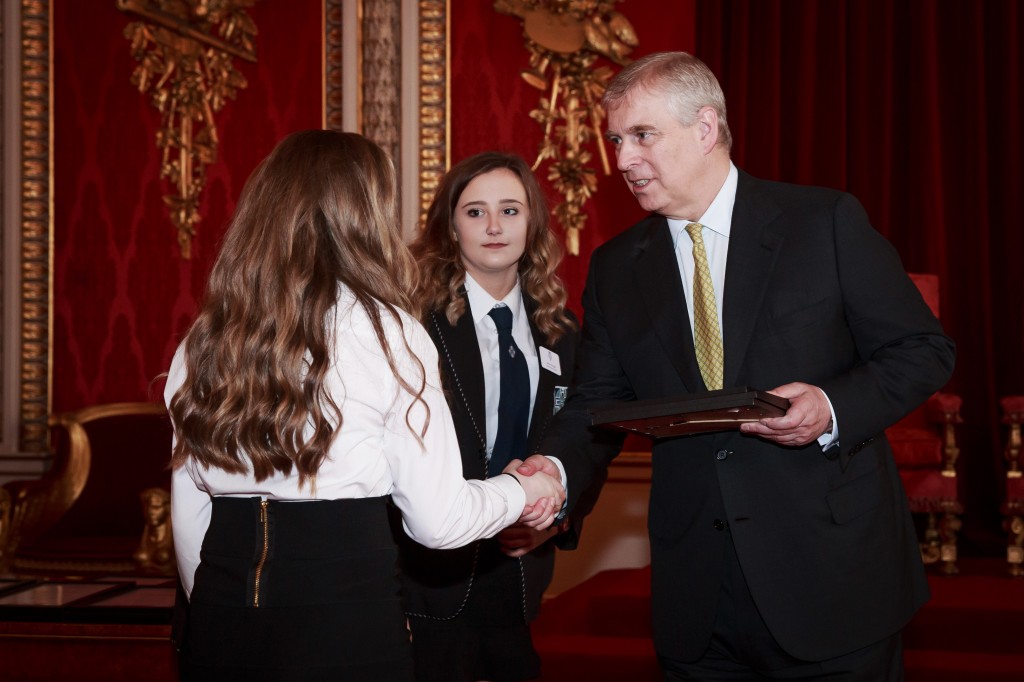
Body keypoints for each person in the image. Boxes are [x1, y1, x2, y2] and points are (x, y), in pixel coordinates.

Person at [519, 52, 956, 680]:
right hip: (696, 597)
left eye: (642, 136)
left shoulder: (823, 222)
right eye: (615, 139)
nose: (622, 160)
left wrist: (831, 408)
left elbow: (924, 350)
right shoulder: (618, 266)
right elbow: (596, 401)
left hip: (830, 577)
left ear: (704, 128)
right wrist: (553, 471)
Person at [164, 130, 564, 681]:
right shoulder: (388, 332)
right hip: (344, 621)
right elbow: (437, 521)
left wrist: (221, 605)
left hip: (220, 620)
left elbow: (190, 519)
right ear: (365, 213)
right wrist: (529, 489)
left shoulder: (206, 337)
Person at [397, 151, 603, 682]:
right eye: (475, 212)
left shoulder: (561, 329)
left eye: (510, 211)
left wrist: (554, 520)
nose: (493, 226)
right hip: (428, 578)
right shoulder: (412, 324)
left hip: (518, 572)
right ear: (450, 226)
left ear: (532, 223)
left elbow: (587, 435)